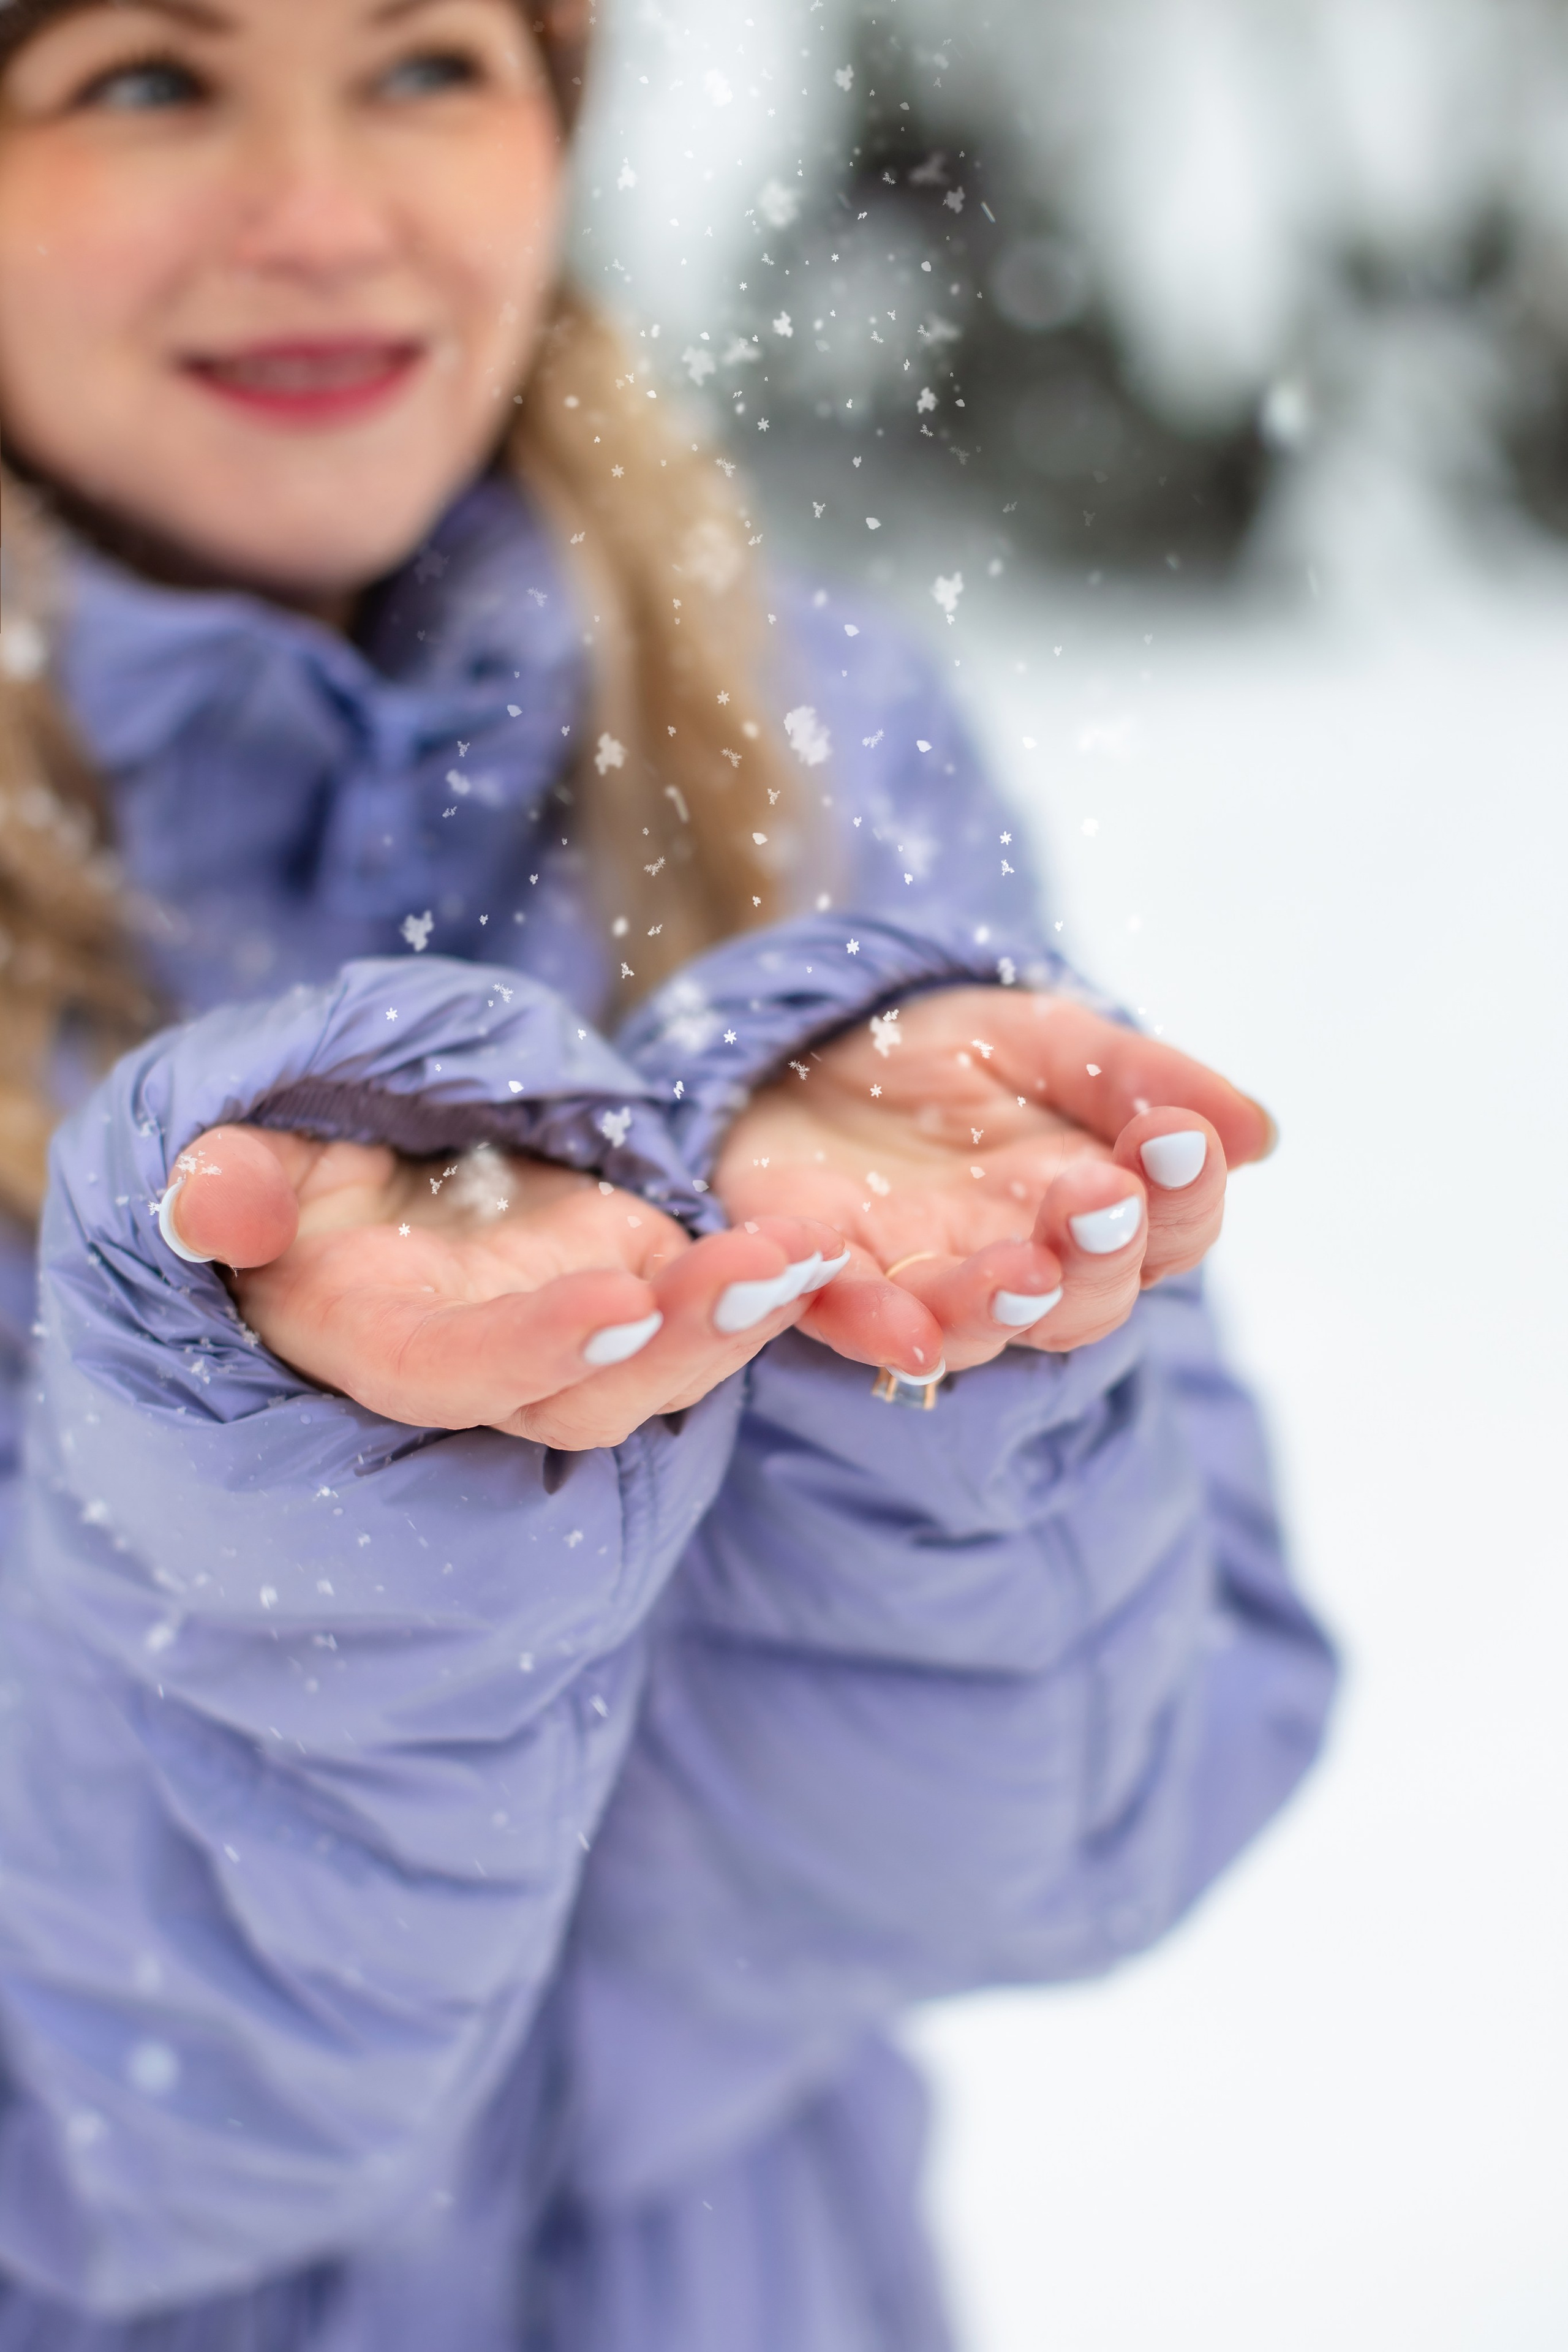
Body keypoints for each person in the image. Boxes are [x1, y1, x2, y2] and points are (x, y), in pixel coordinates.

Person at [0, 1, 1336, 2343]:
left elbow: (1089, 1854)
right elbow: (79, 2158)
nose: (323, 214)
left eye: (426, 64)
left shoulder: (813, 743)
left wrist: (906, 1386)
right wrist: (299, 1473)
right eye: (145, 76)